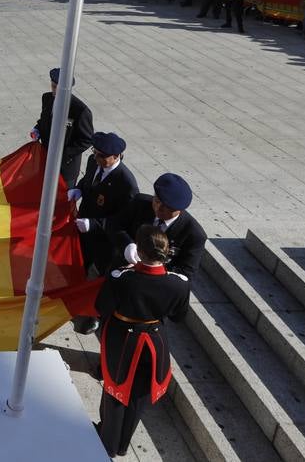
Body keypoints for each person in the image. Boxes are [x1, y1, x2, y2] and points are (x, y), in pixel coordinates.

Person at [95, 224, 191, 458]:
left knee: (115, 390)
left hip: (122, 337)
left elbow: (101, 307)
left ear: (139, 249)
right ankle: (122, 445)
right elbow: (179, 317)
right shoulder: (179, 283)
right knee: (139, 395)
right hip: (154, 340)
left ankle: (107, 443)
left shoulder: (121, 277)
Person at [68, 131, 138, 333]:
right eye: (96, 153)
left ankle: (92, 317)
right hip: (83, 229)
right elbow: (88, 180)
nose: (97, 158)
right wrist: (79, 189)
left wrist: (95, 224)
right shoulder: (94, 162)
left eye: (102, 156)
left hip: (104, 242)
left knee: (96, 279)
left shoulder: (126, 184)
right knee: (79, 268)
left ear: (117, 157)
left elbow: (123, 220)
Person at [108, 173, 207, 278]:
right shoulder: (139, 203)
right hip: (121, 272)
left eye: (166, 207)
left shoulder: (194, 235)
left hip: (157, 285)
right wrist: (127, 245)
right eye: (156, 201)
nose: (158, 208)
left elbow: (186, 272)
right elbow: (114, 225)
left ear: (179, 210)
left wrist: (152, 269)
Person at [30, 68, 95, 184]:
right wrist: (37, 129)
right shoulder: (47, 98)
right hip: (45, 160)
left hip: (65, 167)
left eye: (58, 88)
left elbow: (87, 139)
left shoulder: (80, 110)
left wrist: (63, 153)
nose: (55, 91)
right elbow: (43, 120)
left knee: (62, 199)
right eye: (53, 86)